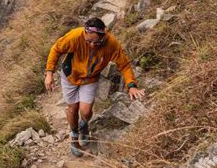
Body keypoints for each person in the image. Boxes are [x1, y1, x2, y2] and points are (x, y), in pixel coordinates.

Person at [45, 17, 144, 157]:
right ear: (84, 34)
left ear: (104, 35)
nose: (92, 45)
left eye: (96, 42)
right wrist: (49, 73)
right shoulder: (75, 36)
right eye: (88, 41)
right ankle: (74, 136)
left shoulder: (111, 44)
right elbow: (56, 49)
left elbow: (124, 65)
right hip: (70, 76)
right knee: (72, 109)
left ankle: (84, 126)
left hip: (90, 78)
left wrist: (131, 85)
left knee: (85, 112)